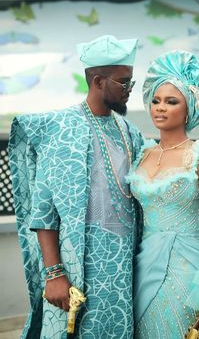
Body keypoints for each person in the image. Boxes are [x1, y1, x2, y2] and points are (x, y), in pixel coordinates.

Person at [8, 35, 145, 338]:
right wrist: (54, 273)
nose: (129, 91)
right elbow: (43, 210)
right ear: (98, 81)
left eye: (131, 83)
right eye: (124, 83)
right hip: (78, 268)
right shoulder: (64, 128)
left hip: (124, 268)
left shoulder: (129, 131)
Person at [126, 50, 199, 338]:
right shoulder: (142, 153)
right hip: (143, 261)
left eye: (171, 101)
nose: (160, 108)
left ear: (189, 108)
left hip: (187, 267)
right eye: (156, 100)